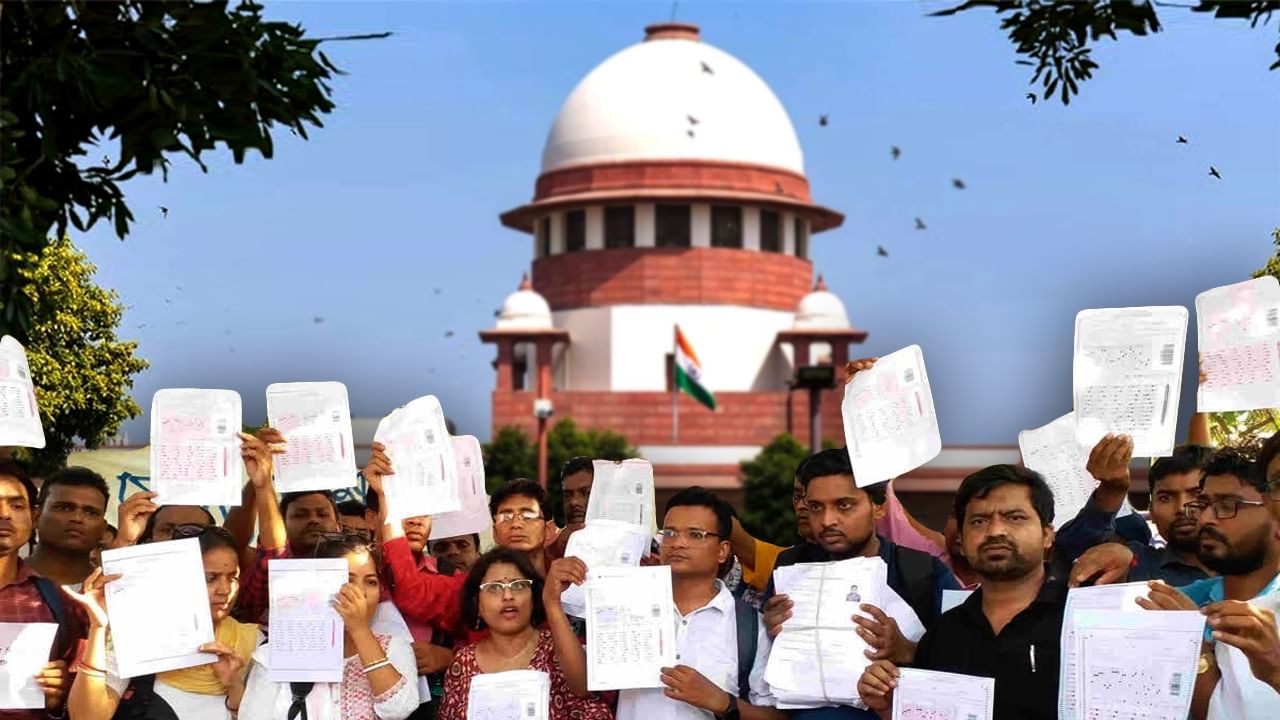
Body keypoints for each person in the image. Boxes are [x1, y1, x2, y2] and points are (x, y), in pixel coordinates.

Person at [546, 486, 782, 720]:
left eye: (695, 534)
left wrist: (721, 702)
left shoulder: (750, 626)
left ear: (722, 551)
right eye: (669, 533)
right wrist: (553, 604)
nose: (678, 543)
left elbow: (775, 716)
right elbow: (582, 684)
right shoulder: (628, 603)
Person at [857, 464, 1062, 720]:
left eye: (1015, 517)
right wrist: (889, 707)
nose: (996, 531)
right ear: (962, 541)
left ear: (1047, 535)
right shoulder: (944, 634)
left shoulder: (1085, 616)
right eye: (979, 521)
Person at [1137, 447, 1280, 719]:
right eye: (1203, 505)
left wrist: (1192, 647)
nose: (1203, 519)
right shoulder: (1174, 603)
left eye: (1227, 506)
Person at [65, 524, 259, 719]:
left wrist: (234, 686)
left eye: (233, 577)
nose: (225, 590)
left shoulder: (254, 643)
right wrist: (98, 628)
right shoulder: (140, 637)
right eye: (210, 578)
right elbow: (86, 717)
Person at [239, 534, 419, 720]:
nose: (361, 592)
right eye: (348, 580)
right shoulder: (276, 655)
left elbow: (399, 708)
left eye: (371, 582)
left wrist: (359, 630)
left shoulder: (394, 648)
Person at [436, 547, 613, 720]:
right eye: (494, 588)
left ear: (534, 597)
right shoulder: (463, 662)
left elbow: (583, 688)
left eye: (518, 585)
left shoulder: (557, 648)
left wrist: (552, 602)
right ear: (477, 604)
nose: (507, 596)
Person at [1060, 438, 1213, 586]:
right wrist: (1111, 491)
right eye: (1165, 498)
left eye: (1197, 494)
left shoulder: (1236, 569)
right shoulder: (1131, 564)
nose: (1181, 507)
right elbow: (1069, 551)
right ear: (1151, 510)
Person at [0, 460, 84, 719]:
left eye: (17, 505)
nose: (4, 514)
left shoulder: (58, 601)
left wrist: (58, 698)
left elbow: (80, 699)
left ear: (34, 518)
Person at [232, 428, 338, 625]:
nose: (313, 520)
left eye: (322, 514)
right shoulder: (260, 563)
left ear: (338, 526)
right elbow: (274, 553)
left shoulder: (354, 569)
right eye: (300, 514)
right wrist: (261, 483)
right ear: (282, 522)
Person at [28, 466, 110, 588]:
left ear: (103, 529)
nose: (77, 518)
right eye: (64, 508)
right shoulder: (6, 580)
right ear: (36, 516)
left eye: (91, 512)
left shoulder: (116, 590)